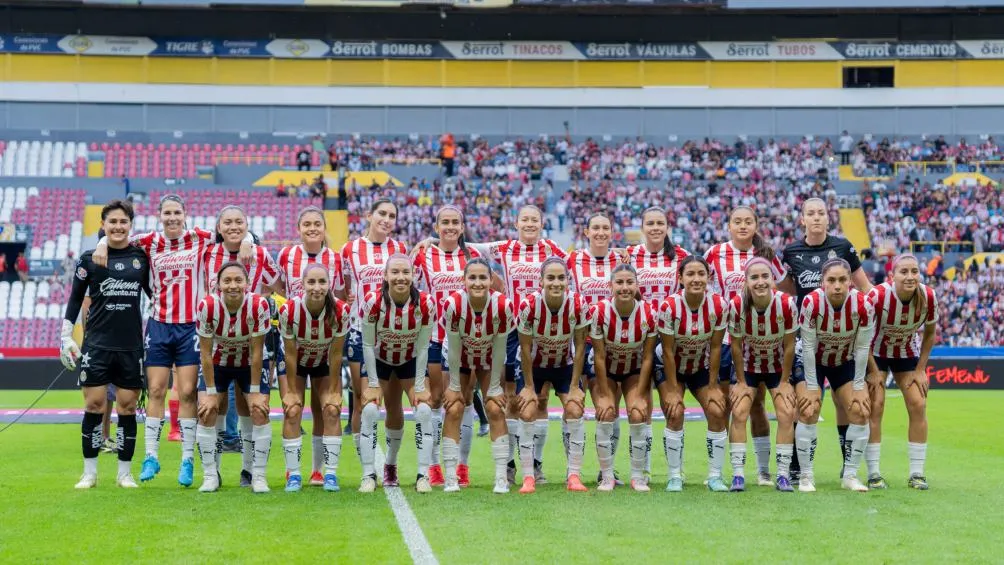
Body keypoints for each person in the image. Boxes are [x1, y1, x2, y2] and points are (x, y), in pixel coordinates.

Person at [92, 194, 253, 487]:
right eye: (167, 213)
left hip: (191, 327)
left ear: (185, 214)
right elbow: (116, 236)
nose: (172, 218)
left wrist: (249, 240)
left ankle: (187, 460)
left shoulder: (200, 238)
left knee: (188, 392)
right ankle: (151, 456)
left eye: (177, 212)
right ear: (160, 216)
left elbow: (233, 233)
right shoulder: (149, 242)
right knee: (156, 390)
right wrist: (102, 242)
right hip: (159, 325)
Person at [60, 199, 150, 489]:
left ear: (130, 225)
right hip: (97, 345)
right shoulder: (89, 259)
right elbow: (76, 298)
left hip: (131, 346)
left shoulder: (141, 258)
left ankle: (125, 473)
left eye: (123, 221)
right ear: (103, 224)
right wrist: (65, 335)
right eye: (113, 221)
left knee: (127, 408)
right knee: (94, 406)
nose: (118, 226)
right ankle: (89, 473)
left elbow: (157, 295)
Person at [780, 197, 871, 480]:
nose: (817, 217)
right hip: (807, 343)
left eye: (821, 213)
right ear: (802, 219)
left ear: (828, 218)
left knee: (848, 405)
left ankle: (848, 467)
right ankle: (797, 467)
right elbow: (786, 292)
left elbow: (865, 288)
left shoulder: (843, 247)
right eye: (811, 213)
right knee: (805, 405)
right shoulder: (791, 251)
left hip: (843, 343)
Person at [704, 206, 787, 486]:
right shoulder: (715, 253)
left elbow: (779, 290)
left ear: (755, 225)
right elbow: (698, 281)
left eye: (748, 221)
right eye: (737, 221)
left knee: (757, 405)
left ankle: (763, 471)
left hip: (759, 340)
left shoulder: (766, 255)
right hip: (727, 340)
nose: (742, 226)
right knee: (727, 405)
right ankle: (721, 471)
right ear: (728, 226)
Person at [204, 205, 282, 487]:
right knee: (212, 406)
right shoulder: (206, 252)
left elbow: (279, 284)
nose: (234, 227)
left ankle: (251, 472)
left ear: (248, 225)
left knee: (253, 407)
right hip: (217, 345)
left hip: (252, 344)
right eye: (227, 222)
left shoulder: (260, 254)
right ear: (218, 227)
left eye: (240, 222)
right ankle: (212, 474)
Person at [412, 206, 485, 487]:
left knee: (464, 400)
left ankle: (462, 466)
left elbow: (494, 286)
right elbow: (407, 284)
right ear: (437, 226)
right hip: (435, 336)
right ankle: (433, 466)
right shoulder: (424, 254)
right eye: (445, 222)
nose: (451, 227)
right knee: (434, 400)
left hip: (468, 340)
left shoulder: (473, 255)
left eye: (456, 222)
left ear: (463, 227)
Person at [276, 206, 348, 486]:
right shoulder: (286, 255)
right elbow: (278, 286)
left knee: (327, 408)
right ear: (298, 228)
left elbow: (339, 294)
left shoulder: (335, 258)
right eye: (306, 224)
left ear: (324, 227)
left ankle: (320, 471)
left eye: (317, 223)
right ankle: (292, 472)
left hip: (324, 347)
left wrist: (335, 388)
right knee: (293, 407)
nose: (312, 228)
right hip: (296, 342)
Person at [796, 259, 875, 493]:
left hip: (843, 360)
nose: (837, 285)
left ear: (851, 281)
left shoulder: (864, 305)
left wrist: (859, 386)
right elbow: (807, 347)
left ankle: (850, 476)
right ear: (823, 282)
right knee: (809, 409)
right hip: (812, 360)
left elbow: (862, 348)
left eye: (842, 280)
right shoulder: (811, 302)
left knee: (861, 410)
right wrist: (812, 386)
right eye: (831, 280)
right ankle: (805, 476)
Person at [341, 199, 408, 475]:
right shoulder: (350, 250)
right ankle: (367, 468)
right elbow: (343, 289)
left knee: (393, 401)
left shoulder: (400, 249)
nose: (387, 219)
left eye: (392, 215)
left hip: (393, 335)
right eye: (382, 213)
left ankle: (390, 463)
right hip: (360, 332)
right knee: (363, 400)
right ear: (369, 215)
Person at [359, 255, 437, 492]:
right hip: (379, 360)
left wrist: (421, 386)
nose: (400, 277)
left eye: (405, 272)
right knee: (370, 410)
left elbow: (423, 347)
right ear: (385, 276)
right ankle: (368, 475)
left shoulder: (426, 303)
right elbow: (367, 345)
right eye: (395, 272)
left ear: (413, 276)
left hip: (409, 360)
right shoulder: (373, 301)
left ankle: (421, 474)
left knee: (424, 410)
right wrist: (373, 383)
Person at [626, 206, 690, 486]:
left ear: (667, 227)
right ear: (642, 227)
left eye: (659, 223)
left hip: (670, 339)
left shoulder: (682, 256)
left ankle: (676, 470)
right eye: (650, 223)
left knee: (672, 404)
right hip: (638, 337)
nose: (655, 228)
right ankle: (645, 468)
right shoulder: (630, 255)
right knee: (642, 404)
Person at [194, 262, 272, 493]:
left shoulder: (258, 305)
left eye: (238, 280)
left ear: (247, 283)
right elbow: (205, 354)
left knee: (258, 410)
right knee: (207, 410)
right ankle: (211, 475)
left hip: (249, 363)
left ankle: (256, 475)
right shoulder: (207, 306)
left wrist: (255, 392)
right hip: (218, 363)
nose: (233, 285)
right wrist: (210, 393)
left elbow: (257, 352)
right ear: (218, 285)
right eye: (227, 280)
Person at [515, 257, 591, 493]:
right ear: (541, 281)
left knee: (575, 409)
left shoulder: (578, 304)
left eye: (561, 278)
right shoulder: (528, 306)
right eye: (550, 278)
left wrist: (575, 386)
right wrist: (529, 386)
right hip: (534, 366)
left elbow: (580, 347)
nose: (556, 283)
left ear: (568, 281)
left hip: (563, 365)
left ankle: (574, 475)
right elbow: (525, 348)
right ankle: (529, 477)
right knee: (527, 411)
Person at [440, 258, 515, 493]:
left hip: (489, 357)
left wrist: (494, 388)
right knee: (454, 408)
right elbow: (454, 349)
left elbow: (500, 349)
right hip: (460, 356)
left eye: (483, 277)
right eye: (472, 277)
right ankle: (451, 477)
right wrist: (454, 386)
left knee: (494, 408)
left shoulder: (503, 305)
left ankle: (501, 478)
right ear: (463, 280)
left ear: (491, 280)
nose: (478, 282)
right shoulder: (453, 304)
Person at [658, 256, 730, 492]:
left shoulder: (719, 305)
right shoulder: (669, 307)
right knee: (675, 412)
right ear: (680, 278)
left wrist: (713, 386)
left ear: (709, 277)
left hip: (700, 367)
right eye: (690, 274)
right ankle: (674, 476)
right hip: (672, 368)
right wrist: (671, 390)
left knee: (717, 410)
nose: (696, 279)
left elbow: (716, 347)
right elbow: (667, 351)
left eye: (701, 274)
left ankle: (715, 477)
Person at [727, 259, 798, 492]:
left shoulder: (786, 304)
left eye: (765, 276)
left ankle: (783, 475)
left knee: (786, 413)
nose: (760, 282)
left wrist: (785, 381)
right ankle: (738, 475)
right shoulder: (737, 305)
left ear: (772, 279)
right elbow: (736, 346)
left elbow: (789, 345)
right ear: (746, 282)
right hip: (748, 366)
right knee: (739, 411)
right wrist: (740, 381)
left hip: (777, 367)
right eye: (754, 277)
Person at [866, 254, 936, 490]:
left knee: (918, 403)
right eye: (903, 272)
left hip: (906, 352)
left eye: (914, 271)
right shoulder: (877, 296)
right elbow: (861, 336)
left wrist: (920, 370)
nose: (910, 276)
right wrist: (873, 371)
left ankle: (917, 474)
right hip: (875, 353)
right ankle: (874, 474)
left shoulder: (928, 296)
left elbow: (930, 333)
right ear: (892, 275)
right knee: (875, 405)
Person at [567, 213, 625, 485]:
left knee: (611, 406)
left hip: (614, 343)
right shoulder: (571, 259)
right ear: (586, 232)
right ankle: (572, 470)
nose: (601, 232)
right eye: (596, 228)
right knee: (574, 404)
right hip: (582, 342)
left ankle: (607, 470)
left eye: (606, 228)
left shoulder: (624, 260)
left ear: (612, 232)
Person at [590, 264, 659, 492]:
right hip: (606, 370)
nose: (625, 287)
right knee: (606, 412)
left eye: (630, 282)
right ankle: (607, 476)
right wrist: (602, 394)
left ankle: (638, 477)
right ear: (610, 285)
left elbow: (647, 357)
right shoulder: (599, 311)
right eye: (619, 282)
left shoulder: (649, 313)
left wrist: (640, 394)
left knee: (638, 413)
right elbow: (599, 356)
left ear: (637, 285)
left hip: (633, 370)